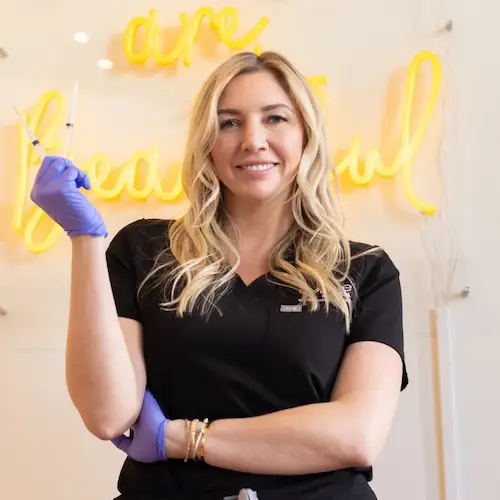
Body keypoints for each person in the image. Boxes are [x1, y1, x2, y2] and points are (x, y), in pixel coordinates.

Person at [30, 51, 408, 500]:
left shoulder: (365, 271)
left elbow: (357, 434)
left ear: (307, 134)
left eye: (275, 118)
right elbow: (108, 414)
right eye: (229, 122)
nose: (253, 140)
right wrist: (84, 238)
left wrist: (181, 439)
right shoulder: (144, 251)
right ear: (206, 140)